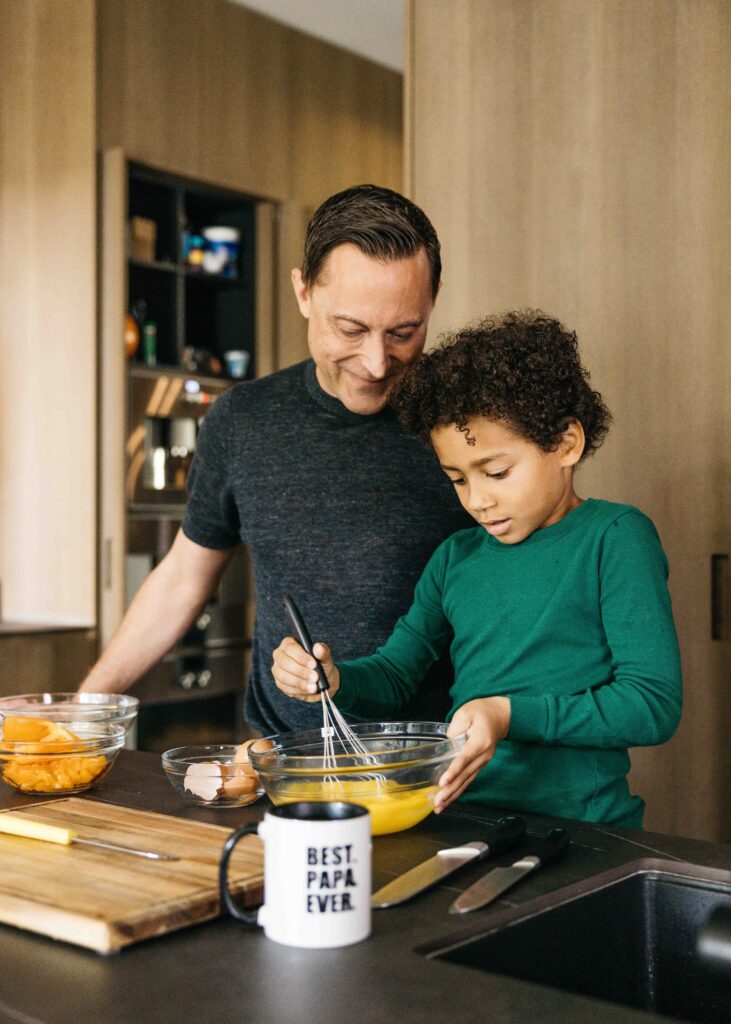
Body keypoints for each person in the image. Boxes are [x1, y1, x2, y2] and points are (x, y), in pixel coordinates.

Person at [79, 185, 472, 734]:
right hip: (283, 765)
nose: (378, 362)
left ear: (432, 300)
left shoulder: (470, 422)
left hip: (439, 766)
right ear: (304, 292)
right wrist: (85, 708)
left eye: (404, 332)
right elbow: (185, 578)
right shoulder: (243, 420)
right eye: (351, 330)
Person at [272, 311, 683, 827]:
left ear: (566, 444)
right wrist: (334, 679)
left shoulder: (615, 538)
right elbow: (396, 675)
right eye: (458, 480)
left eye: (496, 472)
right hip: (462, 818)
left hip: (584, 830)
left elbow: (652, 705)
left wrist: (507, 715)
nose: (479, 500)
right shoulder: (455, 558)